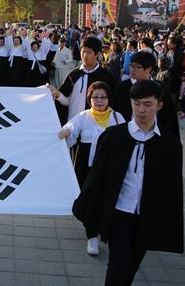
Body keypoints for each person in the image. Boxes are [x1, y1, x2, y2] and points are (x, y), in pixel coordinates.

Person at [72, 80, 183, 286]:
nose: (141, 110)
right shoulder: (114, 137)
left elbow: (172, 188)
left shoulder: (169, 144)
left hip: (147, 215)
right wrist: (86, 205)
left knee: (132, 265)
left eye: (148, 104)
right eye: (136, 103)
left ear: (159, 105)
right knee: (118, 263)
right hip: (119, 212)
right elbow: (98, 176)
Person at [58, 81, 125, 256]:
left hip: (109, 166)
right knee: (91, 200)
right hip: (86, 165)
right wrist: (65, 132)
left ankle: (106, 229)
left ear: (109, 98)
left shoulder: (118, 118)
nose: (99, 100)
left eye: (103, 97)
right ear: (89, 99)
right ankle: (92, 236)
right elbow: (71, 127)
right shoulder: (83, 116)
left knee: (108, 198)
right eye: (95, 97)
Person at [112, 51, 180, 139]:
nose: (132, 69)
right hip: (127, 136)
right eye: (131, 66)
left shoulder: (160, 88)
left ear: (149, 69)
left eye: (137, 67)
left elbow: (169, 115)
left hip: (154, 136)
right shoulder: (122, 88)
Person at [49, 37, 116, 125]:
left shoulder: (105, 77)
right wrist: (57, 94)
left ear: (97, 54)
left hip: (95, 127)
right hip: (73, 126)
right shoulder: (74, 75)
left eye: (89, 52)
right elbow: (67, 102)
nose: (85, 55)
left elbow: (112, 105)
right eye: (83, 51)